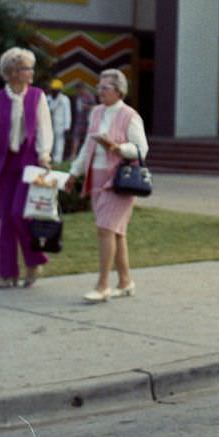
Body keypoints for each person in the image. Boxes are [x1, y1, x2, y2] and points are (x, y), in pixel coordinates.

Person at [0, 47, 54, 288]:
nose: (31, 72)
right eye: (27, 68)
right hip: (5, 163)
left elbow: (44, 128)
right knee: (6, 219)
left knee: (20, 213)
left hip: (29, 162)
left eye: (31, 67)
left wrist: (44, 154)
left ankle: (34, 262)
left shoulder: (37, 96)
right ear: (13, 72)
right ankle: (7, 274)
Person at [70, 68, 148, 303]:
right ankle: (125, 282)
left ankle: (102, 285)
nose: (99, 91)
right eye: (99, 86)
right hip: (97, 176)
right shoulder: (96, 113)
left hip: (119, 180)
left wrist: (117, 148)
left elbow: (141, 150)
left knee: (105, 229)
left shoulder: (129, 115)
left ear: (119, 90)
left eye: (105, 87)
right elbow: (87, 146)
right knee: (115, 232)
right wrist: (74, 172)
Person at [46, 79, 72, 165]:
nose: (54, 91)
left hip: (60, 125)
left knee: (59, 143)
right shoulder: (48, 98)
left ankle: (58, 161)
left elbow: (68, 113)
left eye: (56, 90)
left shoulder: (64, 99)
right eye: (53, 89)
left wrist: (67, 127)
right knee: (50, 142)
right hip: (49, 124)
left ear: (60, 90)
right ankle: (49, 159)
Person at [70, 84, 96, 159]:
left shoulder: (89, 96)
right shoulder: (78, 96)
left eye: (79, 90)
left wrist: (86, 107)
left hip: (87, 120)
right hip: (79, 120)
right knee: (75, 136)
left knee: (87, 138)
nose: (78, 91)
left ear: (83, 88)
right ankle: (73, 154)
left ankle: (86, 155)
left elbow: (95, 107)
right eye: (77, 90)